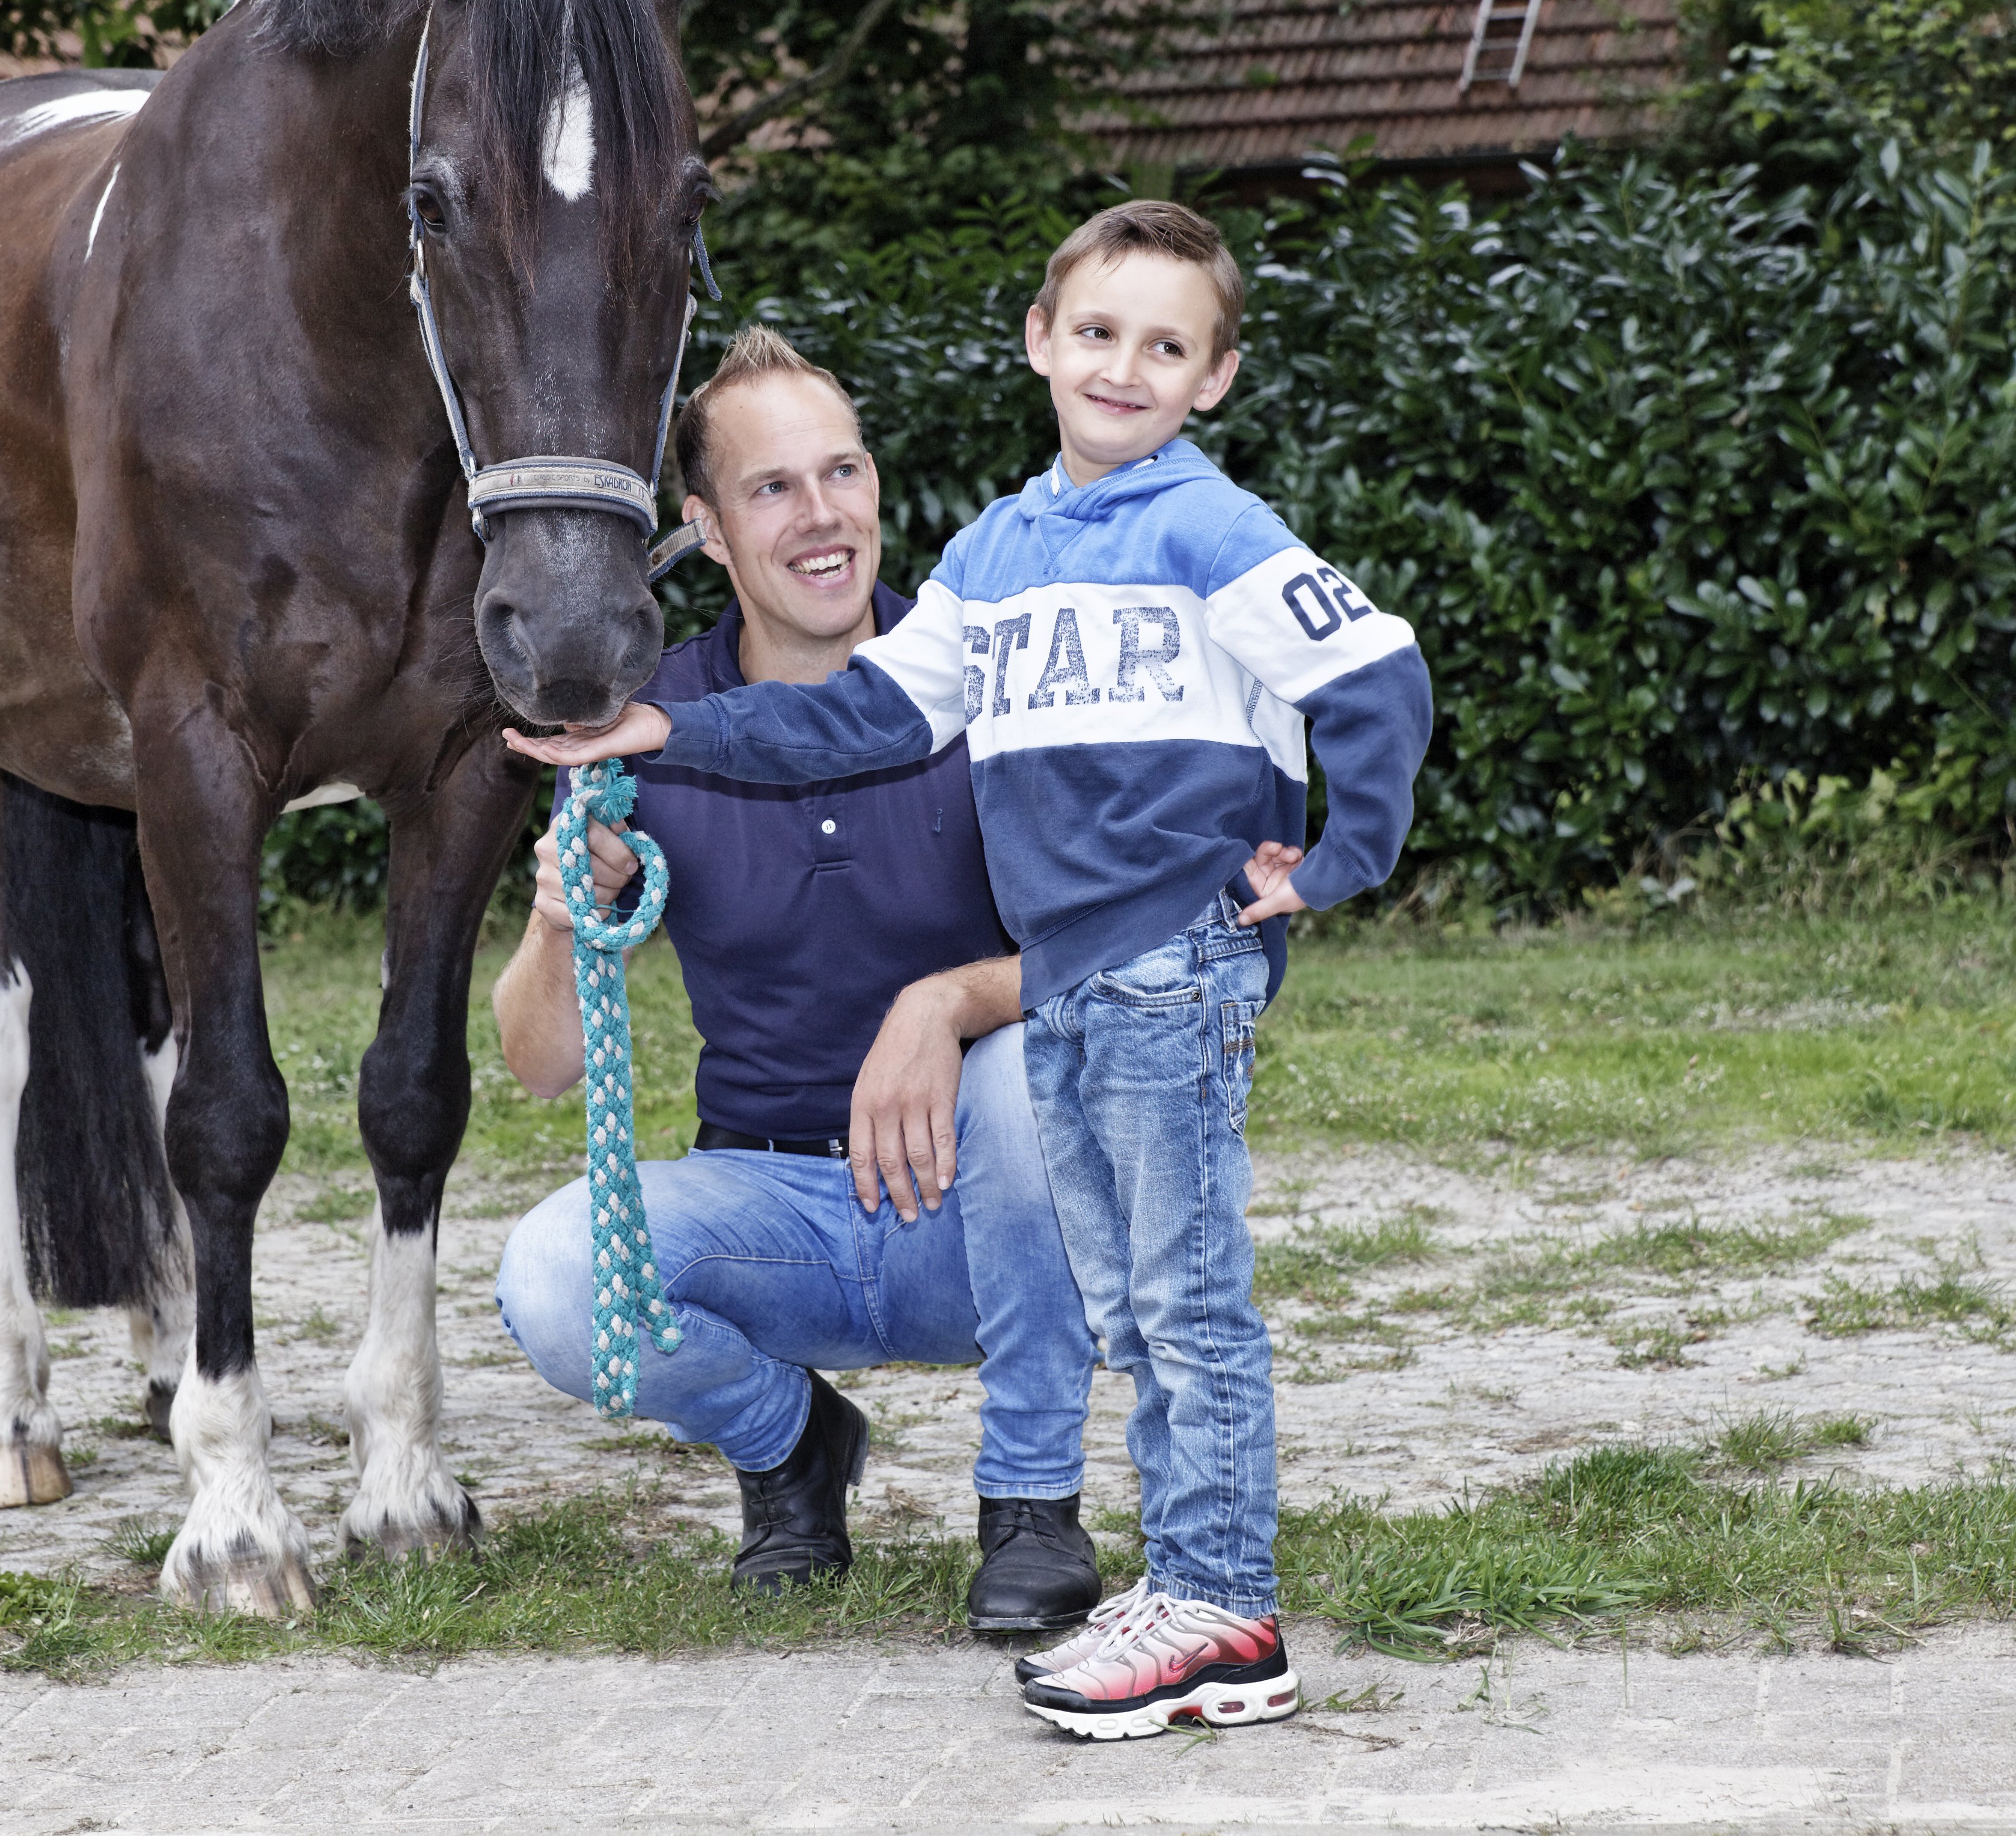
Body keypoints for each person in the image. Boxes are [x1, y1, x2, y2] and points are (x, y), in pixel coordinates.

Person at [507, 203, 1434, 1741]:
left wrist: (1343, 858)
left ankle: (1195, 1594)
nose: (1124, 367)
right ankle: (1149, 1569)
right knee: (1152, 1309)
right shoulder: (998, 567)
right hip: (955, 1074)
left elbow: (1374, 672)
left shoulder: (1205, 527)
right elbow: (864, 718)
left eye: (1164, 344)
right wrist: (660, 743)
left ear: (1212, 377)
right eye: (1096, 333)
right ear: (1040, 344)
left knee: (1181, 1301)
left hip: (1150, 987)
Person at [489, 328, 1105, 1633]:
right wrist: (559, 919)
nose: (824, 518)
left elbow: (1117, 956)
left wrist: (946, 1004)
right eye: (774, 489)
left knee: (1022, 1076)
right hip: (776, 1212)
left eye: (844, 472)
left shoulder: (989, 675)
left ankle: (1032, 1505)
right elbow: (542, 1066)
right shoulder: (655, 722)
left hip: (990, 1216)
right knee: (551, 1280)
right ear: (708, 530)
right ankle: (792, 1449)